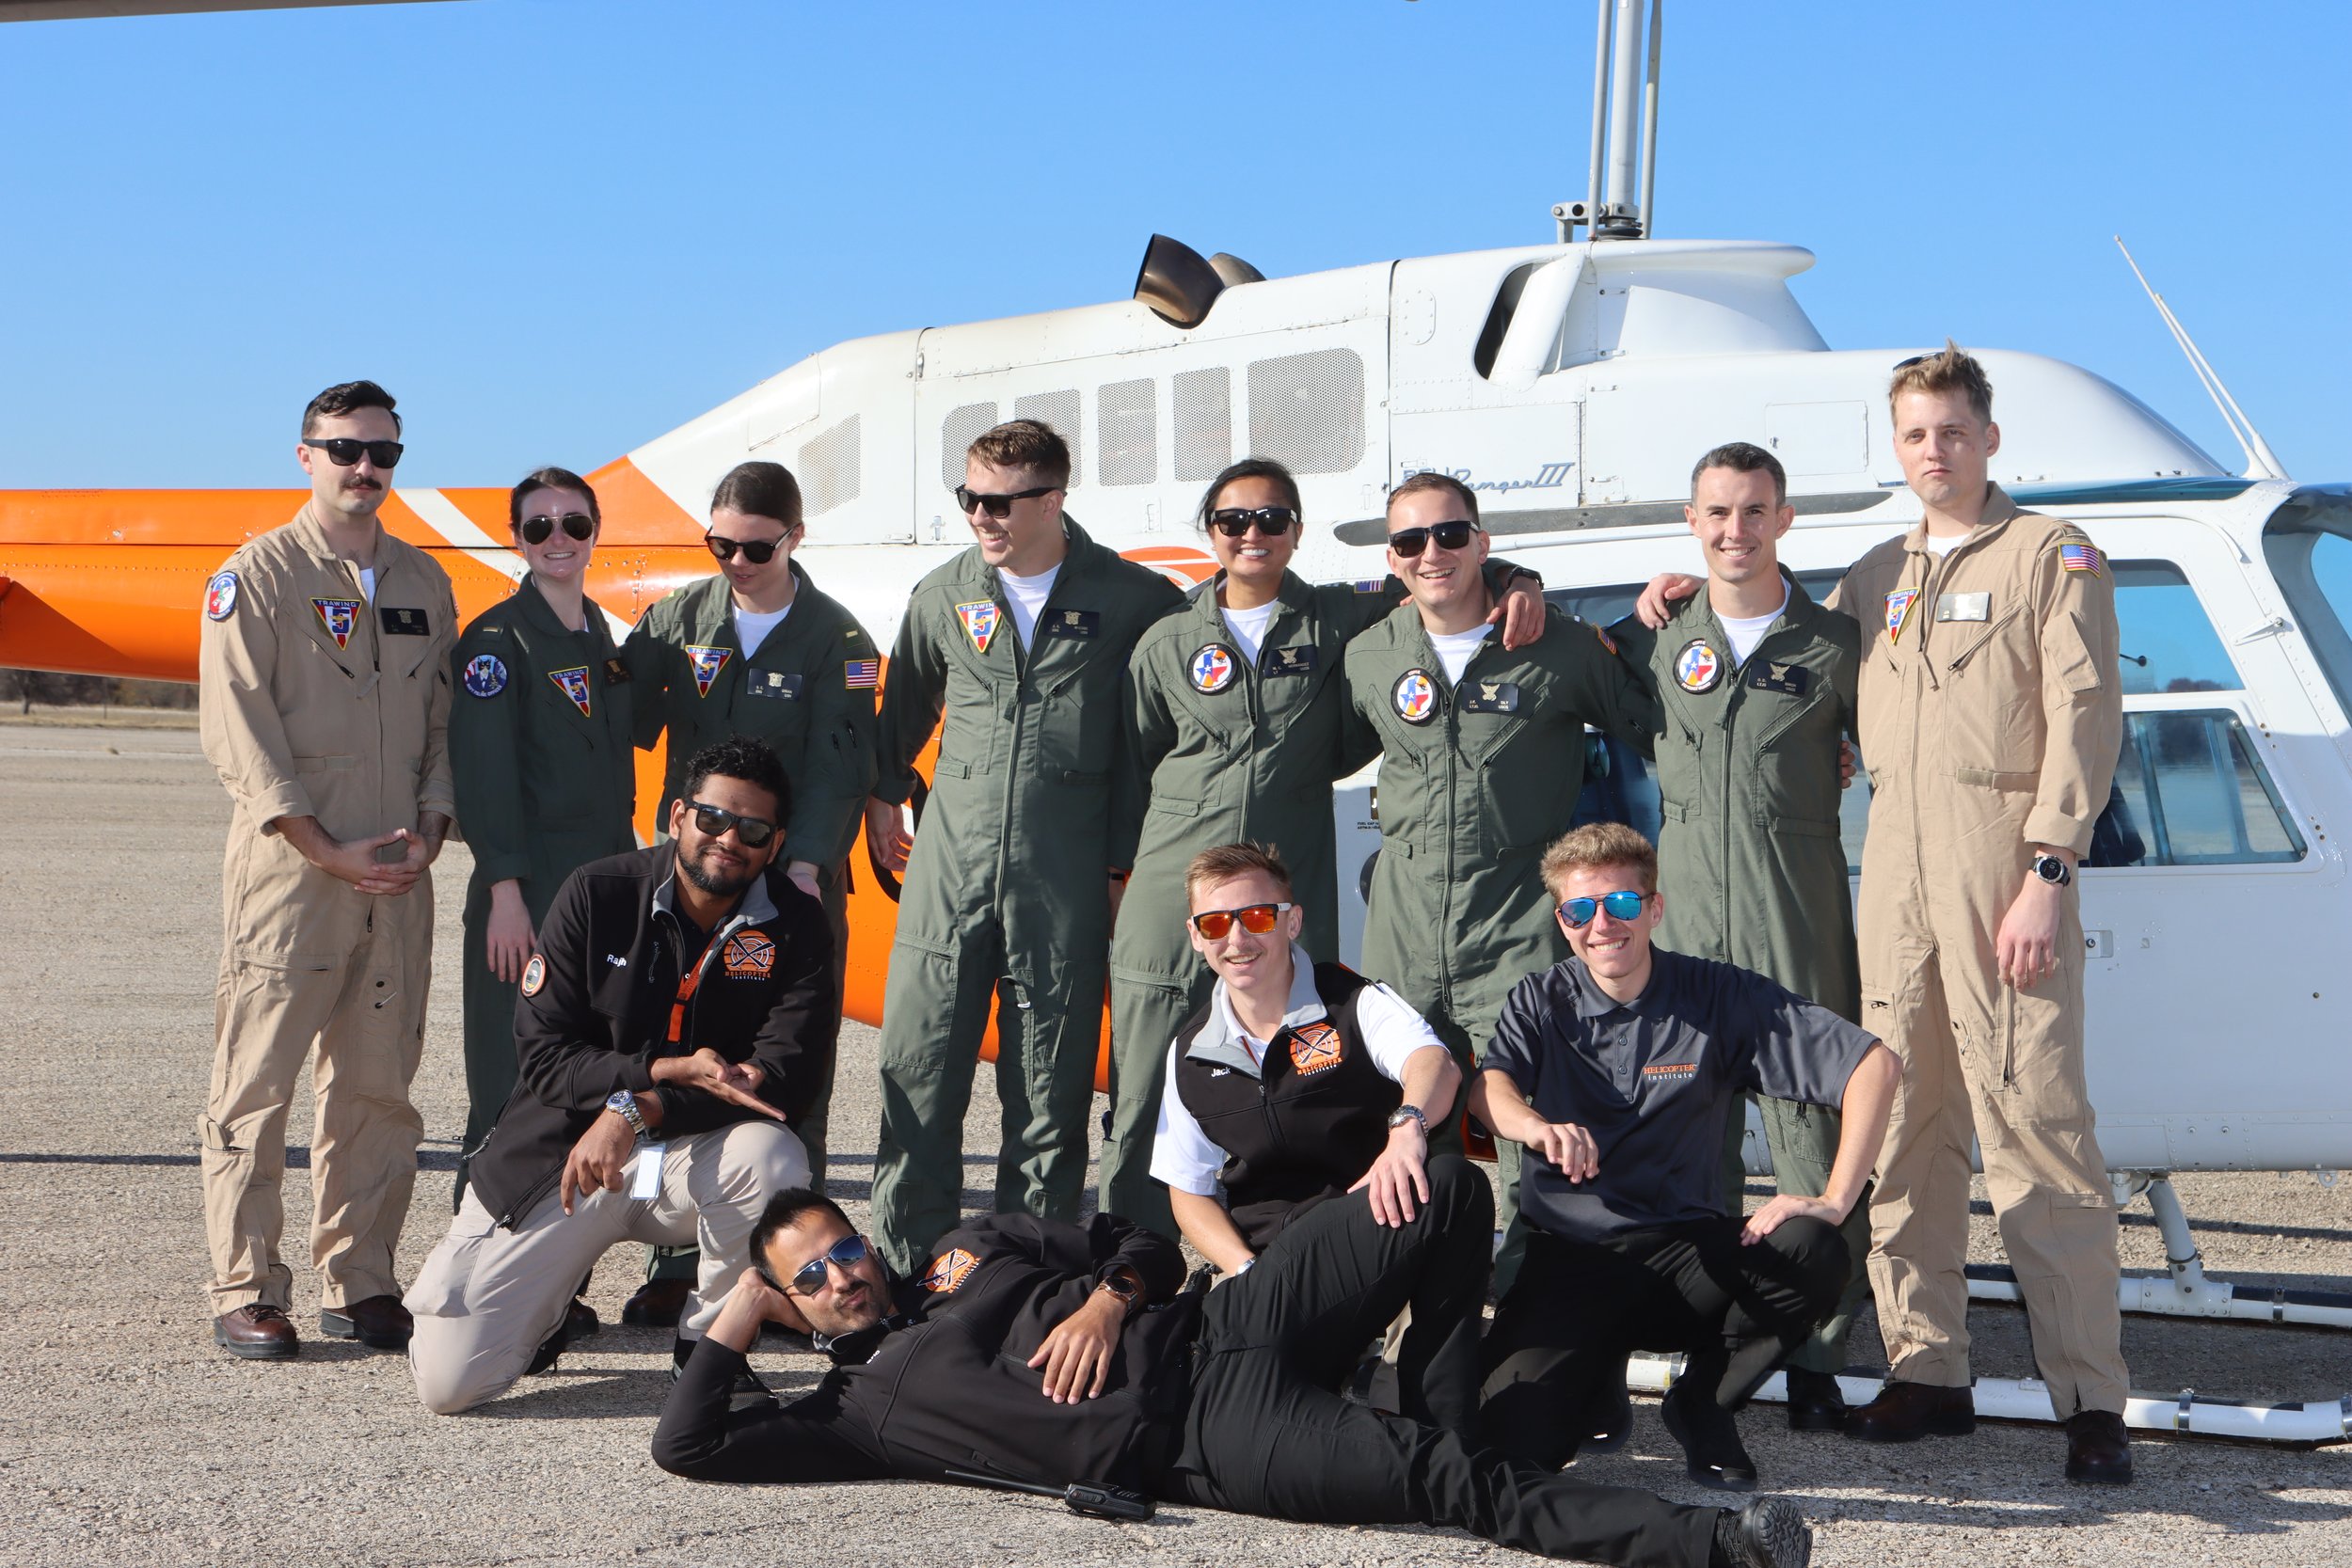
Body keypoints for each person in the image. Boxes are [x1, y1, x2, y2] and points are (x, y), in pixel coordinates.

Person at [1635, 343, 2133, 1483]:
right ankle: (1927, 1365)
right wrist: (1675, 598)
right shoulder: (1874, 575)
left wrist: (2048, 870)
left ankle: (2089, 1396)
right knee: (1903, 1123)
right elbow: (1781, 646)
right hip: (1894, 877)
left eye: (1952, 429)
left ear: (1988, 438)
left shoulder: (2050, 554)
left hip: (2003, 867)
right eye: (1914, 433)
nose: (1933, 449)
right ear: (1895, 446)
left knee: (2036, 1126)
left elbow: (2085, 712)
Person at [651, 1188, 1816, 1568]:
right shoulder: (852, 1412)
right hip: (1211, 1437)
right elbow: (688, 1445)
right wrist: (736, 1312)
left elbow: (1141, 1239)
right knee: (1451, 1483)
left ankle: (1448, 1408)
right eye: (812, 1276)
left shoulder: (969, 1245)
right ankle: (1721, 1545)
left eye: (845, 1245)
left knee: (1439, 1186)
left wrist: (1111, 1296)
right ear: (791, 1303)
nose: (845, 1274)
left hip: (1226, 1317)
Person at [1105, 458, 1543, 1235]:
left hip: (1285, 886)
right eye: (1233, 520)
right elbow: (1134, 759)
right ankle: (1132, 1267)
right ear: (1210, 532)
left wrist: (1517, 577)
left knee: (1310, 1087)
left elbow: (1436, 571)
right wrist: (1118, 878)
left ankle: (1306, 1253)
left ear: (1298, 531)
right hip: (1173, 893)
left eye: (1271, 519)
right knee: (1145, 1093)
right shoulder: (1166, 640)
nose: (1253, 534)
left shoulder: (1340, 616)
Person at [405, 736, 836, 1414]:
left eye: (753, 830)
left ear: (775, 843)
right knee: (450, 1385)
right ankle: (549, 1305)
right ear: (678, 816)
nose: (729, 840)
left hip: (674, 1164)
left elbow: (782, 1082)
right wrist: (657, 1072)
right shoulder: (598, 891)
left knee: (772, 1155)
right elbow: (544, 1055)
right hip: (568, 1161)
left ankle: (709, 1351)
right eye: (714, 818)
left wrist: (638, 1109)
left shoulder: (796, 922)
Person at [1472, 823, 1899, 1491]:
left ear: (1655, 909)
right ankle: (1595, 1375)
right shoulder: (1542, 997)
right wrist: (1535, 1126)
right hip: (1574, 1258)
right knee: (1511, 1451)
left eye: (1621, 903)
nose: (1602, 925)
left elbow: (1874, 1065)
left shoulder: (1716, 995)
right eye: (1580, 910)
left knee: (1813, 1247)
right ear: (1562, 921)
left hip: (1686, 1256)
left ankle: (1704, 1401)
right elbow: (1488, 1089)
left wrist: (1835, 1199)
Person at [862, 420, 1183, 1275]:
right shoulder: (944, 592)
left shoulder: (1135, 601)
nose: (980, 516)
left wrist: (1124, 862)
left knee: (1049, 1087)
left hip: (1066, 873)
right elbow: (903, 708)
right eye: (969, 497)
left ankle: (1026, 1273)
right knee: (918, 1068)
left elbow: (1158, 742)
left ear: (1053, 501)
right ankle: (908, 1269)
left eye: (1000, 502)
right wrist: (884, 792)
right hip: (949, 869)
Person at [1604, 441, 1869, 1432]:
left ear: (1784, 519)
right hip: (1686, 915)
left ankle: (1814, 1349)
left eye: (1755, 510)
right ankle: (1702, 1333)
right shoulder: (1656, 635)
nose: (1735, 530)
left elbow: (1895, 744)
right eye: (1717, 511)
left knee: (1810, 1124)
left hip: (1792, 908)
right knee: (1686, 1127)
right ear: (1691, 520)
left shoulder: (1835, 644)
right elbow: (1541, 641)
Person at [197, 379, 455, 1360]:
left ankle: (364, 1277)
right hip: (292, 877)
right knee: (255, 1087)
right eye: (345, 448)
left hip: (397, 874)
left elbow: (444, 725)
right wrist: (322, 847)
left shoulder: (424, 581)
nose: (365, 467)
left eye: (383, 452)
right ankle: (246, 1285)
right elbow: (239, 728)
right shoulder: (256, 576)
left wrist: (431, 829)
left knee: (378, 1087)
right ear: (305, 455)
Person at [1339, 470, 1649, 1288]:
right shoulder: (1369, 653)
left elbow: (1664, 723)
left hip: (1517, 920)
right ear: (1392, 558)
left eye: (1450, 534)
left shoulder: (1557, 647)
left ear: (1482, 542)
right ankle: (1423, 1307)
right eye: (1411, 540)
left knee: (1533, 1121)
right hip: (1403, 926)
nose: (1432, 553)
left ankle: (1528, 1309)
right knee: (1408, 1122)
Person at [619, 459, 879, 1327]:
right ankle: (669, 1257)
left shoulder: (836, 639)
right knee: (673, 1056)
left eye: (756, 547)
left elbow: (843, 766)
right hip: (689, 885)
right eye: (719, 544)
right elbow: (619, 716)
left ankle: (792, 1269)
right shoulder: (678, 619)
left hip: (786, 883)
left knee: (787, 1074)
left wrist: (804, 868)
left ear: (794, 538)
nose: (735, 561)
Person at [1149, 841, 1486, 1434]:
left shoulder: (1355, 1001)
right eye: (1216, 923)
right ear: (1196, 936)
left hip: (1371, 1231)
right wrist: (1245, 1272)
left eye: (1257, 917)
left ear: (1292, 921)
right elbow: (1188, 1192)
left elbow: (1434, 1063)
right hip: (1271, 1268)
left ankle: (1432, 1421)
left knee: (1451, 1180)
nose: (1237, 939)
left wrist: (1407, 1127)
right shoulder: (1189, 1052)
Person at [448, 467, 637, 1203]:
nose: (559, 538)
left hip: (602, 894)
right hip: (529, 897)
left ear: (595, 533)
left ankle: (555, 1262)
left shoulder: (600, 634)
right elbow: (484, 775)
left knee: (583, 1085)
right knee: (509, 1086)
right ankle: (474, 1250)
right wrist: (504, 891)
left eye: (574, 524)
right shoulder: (497, 643)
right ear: (517, 539)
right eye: (539, 526)